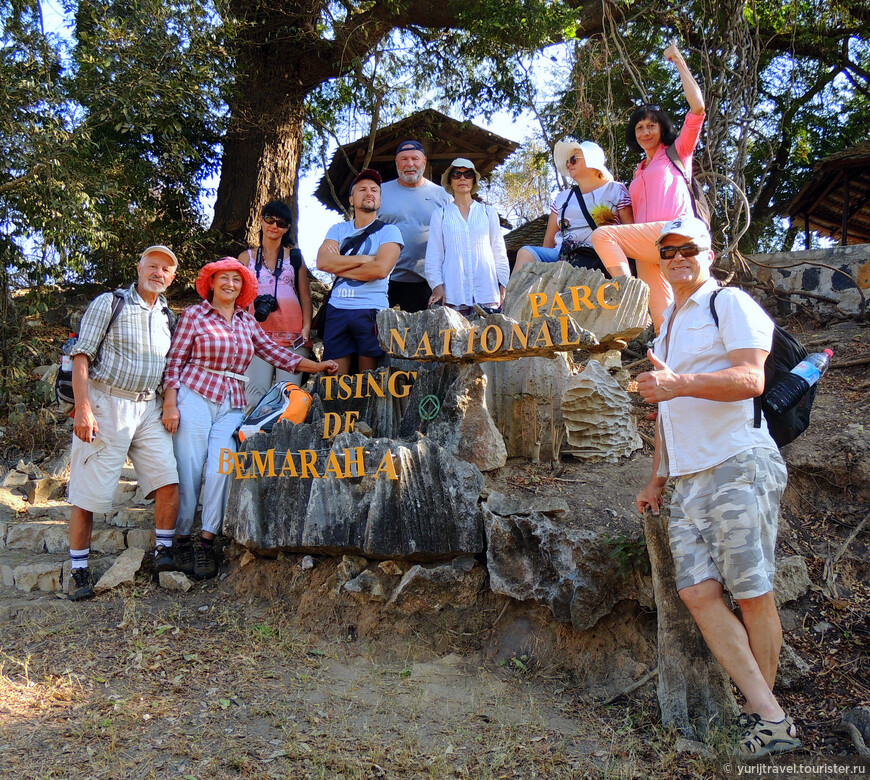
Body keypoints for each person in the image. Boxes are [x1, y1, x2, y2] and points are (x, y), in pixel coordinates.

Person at [635, 216, 800, 760]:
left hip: (737, 461)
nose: (678, 257)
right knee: (697, 591)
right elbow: (667, 408)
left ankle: (766, 719)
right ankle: (768, 714)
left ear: (709, 253)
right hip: (686, 478)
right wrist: (658, 476)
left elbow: (750, 379)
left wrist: (677, 382)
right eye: (668, 251)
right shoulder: (666, 324)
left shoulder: (727, 304)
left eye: (688, 249)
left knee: (751, 592)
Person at [161, 258, 337, 579]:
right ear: (211, 283)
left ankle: (206, 542)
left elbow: (276, 353)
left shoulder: (245, 321)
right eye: (223, 278)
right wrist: (170, 404)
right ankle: (182, 539)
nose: (230, 284)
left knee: (220, 469)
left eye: (237, 280)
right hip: (195, 395)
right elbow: (175, 361)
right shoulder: (194, 315)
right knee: (189, 471)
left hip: (231, 403)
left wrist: (317, 366)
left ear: (245, 287)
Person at [66, 246, 181, 601]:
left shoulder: (167, 315)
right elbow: (81, 355)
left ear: (172, 278)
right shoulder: (110, 302)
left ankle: (164, 552)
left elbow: (170, 368)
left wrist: (169, 403)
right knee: (86, 495)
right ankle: (78, 570)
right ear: (139, 267)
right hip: (106, 402)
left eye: (166, 269)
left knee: (168, 480)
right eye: (152, 266)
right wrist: (83, 407)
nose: (158, 273)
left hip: (149, 405)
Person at [591, 43, 706, 332]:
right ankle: (670, 369)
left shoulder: (677, 152)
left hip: (675, 230)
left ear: (661, 128)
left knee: (603, 237)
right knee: (661, 319)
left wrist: (679, 60)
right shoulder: (638, 170)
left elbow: (698, 108)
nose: (645, 131)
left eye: (651, 126)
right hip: (649, 245)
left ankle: (625, 293)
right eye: (640, 127)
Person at [315, 168, 404, 376]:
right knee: (335, 381)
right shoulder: (338, 230)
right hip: (338, 308)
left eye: (374, 190)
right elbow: (322, 262)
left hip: (371, 310)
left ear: (380, 200)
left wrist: (340, 264)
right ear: (352, 199)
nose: (369, 193)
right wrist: (364, 260)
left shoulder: (390, 231)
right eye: (362, 189)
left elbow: (381, 269)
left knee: (370, 381)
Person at [512, 140, 633, 277]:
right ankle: (512, 298)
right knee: (526, 253)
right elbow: (549, 240)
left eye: (574, 159)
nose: (569, 164)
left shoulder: (615, 189)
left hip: (603, 255)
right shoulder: (562, 197)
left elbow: (629, 231)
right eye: (568, 161)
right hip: (563, 254)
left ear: (591, 159)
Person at [237, 199, 313, 408]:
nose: (274, 226)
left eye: (281, 223)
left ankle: (284, 440)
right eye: (270, 220)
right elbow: (236, 297)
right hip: (257, 334)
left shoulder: (295, 257)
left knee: (288, 396)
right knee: (254, 396)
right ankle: (252, 439)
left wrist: (306, 327)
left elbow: (306, 297)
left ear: (287, 228)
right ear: (261, 221)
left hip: (293, 335)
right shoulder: (246, 257)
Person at [425, 158, 510, 315]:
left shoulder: (488, 212)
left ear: (474, 180)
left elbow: (499, 252)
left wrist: (503, 285)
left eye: (467, 174)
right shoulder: (440, 215)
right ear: (450, 181)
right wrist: (437, 287)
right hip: (453, 295)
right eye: (456, 174)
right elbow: (434, 256)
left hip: (487, 293)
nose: (462, 178)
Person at [378, 139, 452, 312]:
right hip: (384, 279)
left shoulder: (443, 196)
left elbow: (451, 240)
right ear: (397, 163)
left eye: (415, 158)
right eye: (403, 159)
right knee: (375, 333)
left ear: (424, 162)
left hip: (425, 282)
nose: (409, 164)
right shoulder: (379, 193)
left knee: (424, 336)